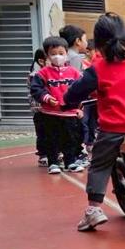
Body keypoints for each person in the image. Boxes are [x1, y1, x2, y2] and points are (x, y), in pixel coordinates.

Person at [64, 13, 125, 232]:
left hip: (113, 130)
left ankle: (94, 210)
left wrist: (67, 102)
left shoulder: (98, 69)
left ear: (99, 45)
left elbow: (75, 93)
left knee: (100, 164)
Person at [30, 36, 84, 174]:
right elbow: (35, 89)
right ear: (47, 55)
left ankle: (70, 161)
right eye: (53, 54)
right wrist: (47, 98)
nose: (57, 57)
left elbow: (82, 90)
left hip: (70, 113)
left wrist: (79, 108)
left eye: (61, 53)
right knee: (51, 139)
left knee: (71, 138)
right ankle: (53, 162)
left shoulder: (74, 73)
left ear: (66, 53)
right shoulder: (42, 73)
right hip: (50, 114)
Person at [61, 25, 97, 158]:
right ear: (77, 41)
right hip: (74, 99)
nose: (86, 42)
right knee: (79, 125)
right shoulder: (75, 58)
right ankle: (77, 153)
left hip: (64, 96)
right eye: (85, 39)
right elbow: (75, 80)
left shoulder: (66, 55)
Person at [29, 48, 48, 166]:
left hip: (49, 108)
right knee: (42, 131)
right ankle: (43, 154)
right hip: (39, 109)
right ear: (41, 61)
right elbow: (36, 92)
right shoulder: (35, 75)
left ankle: (53, 153)